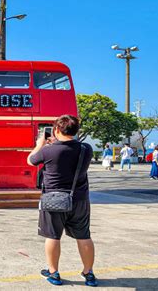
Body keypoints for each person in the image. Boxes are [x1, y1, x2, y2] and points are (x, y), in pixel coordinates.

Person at [27, 115, 97, 287]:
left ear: (57, 130)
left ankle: (53, 273)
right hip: (79, 199)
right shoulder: (86, 149)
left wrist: (40, 144)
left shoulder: (48, 150)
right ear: (76, 130)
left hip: (53, 199)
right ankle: (88, 274)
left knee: (53, 236)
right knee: (84, 236)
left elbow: (30, 160)